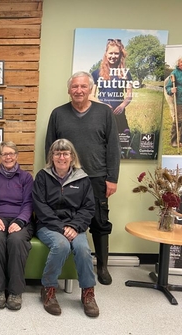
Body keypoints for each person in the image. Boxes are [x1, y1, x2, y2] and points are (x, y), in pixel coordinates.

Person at [45, 71, 121, 285]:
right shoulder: (58, 114)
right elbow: (50, 147)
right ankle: (68, 265)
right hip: (65, 178)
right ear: (69, 90)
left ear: (90, 89)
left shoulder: (104, 113)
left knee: (99, 221)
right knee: (67, 218)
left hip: (96, 176)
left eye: (83, 86)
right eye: (75, 87)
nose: (79, 90)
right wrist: (51, 176)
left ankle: (102, 267)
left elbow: (114, 148)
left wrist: (112, 178)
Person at [33, 138, 99, 317]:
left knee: (83, 248)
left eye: (65, 153)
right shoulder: (42, 176)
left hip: (74, 225)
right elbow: (40, 207)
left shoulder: (82, 178)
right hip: (48, 225)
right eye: (57, 153)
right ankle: (48, 288)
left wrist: (74, 226)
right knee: (61, 245)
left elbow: (88, 207)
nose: (61, 157)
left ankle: (88, 293)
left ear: (72, 156)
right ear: (52, 156)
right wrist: (61, 227)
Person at [0, 141, 34, 310]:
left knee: (16, 241)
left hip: (21, 219)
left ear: (17, 156)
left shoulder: (26, 177)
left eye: (11, 153)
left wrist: (20, 221)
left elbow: (28, 203)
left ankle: (15, 291)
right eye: (4, 154)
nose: (8, 157)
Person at [91, 38, 135, 158]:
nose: (113, 56)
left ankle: (124, 154)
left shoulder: (126, 73)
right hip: (101, 114)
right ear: (106, 54)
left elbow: (129, 95)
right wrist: (103, 105)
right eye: (111, 53)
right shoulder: (96, 73)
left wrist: (122, 106)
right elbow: (91, 96)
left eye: (116, 53)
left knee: (124, 142)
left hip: (119, 114)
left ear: (120, 55)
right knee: (101, 141)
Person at [165, 57, 182, 147]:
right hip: (179, 100)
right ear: (179, 64)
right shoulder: (174, 73)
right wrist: (171, 89)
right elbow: (167, 87)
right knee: (178, 121)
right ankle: (174, 141)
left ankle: (181, 140)